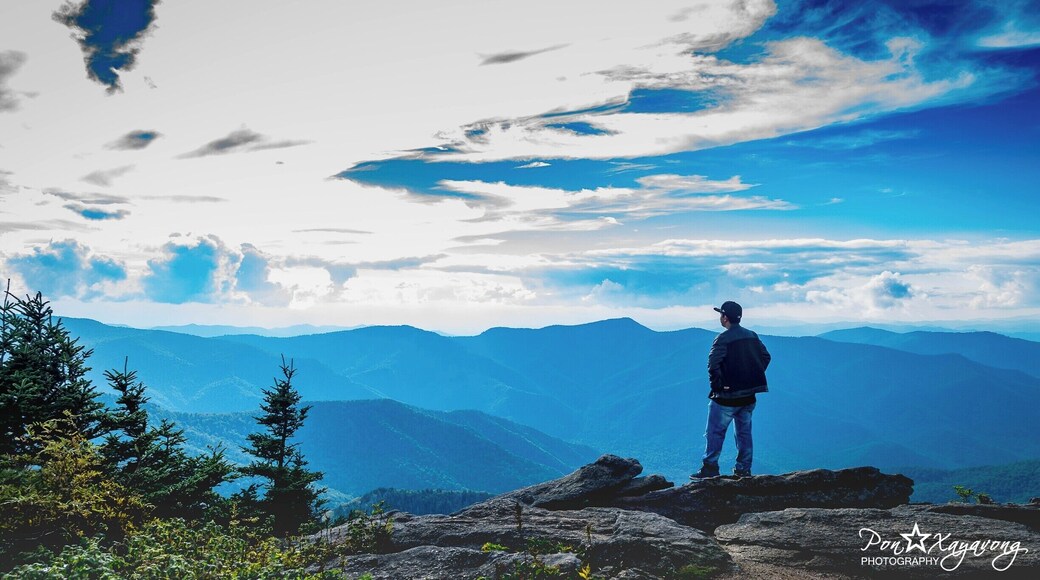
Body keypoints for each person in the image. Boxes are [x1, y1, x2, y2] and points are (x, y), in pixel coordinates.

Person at [691, 301, 770, 479]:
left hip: (726, 397)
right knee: (744, 433)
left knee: (715, 433)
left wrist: (718, 386)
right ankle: (743, 470)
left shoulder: (723, 338)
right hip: (749, 396)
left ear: (725, 317)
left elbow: (713, 365)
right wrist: (750, 376)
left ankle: (710, 468)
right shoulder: (752, 336)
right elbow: (765, 356)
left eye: (721, 315)